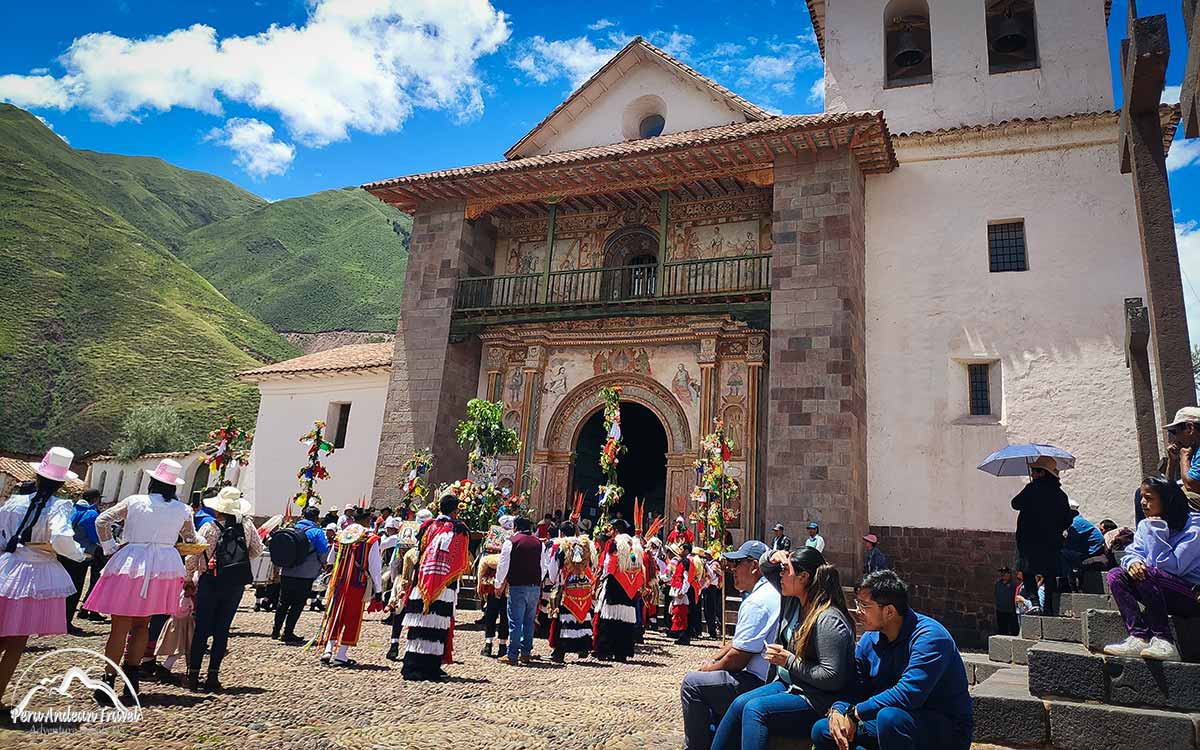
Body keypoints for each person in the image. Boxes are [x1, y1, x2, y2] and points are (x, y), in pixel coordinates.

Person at [712, 546, 855, 750]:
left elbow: (832, 677)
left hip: (817, 698)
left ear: (803, 577)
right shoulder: (793, 601)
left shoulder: (828, 620)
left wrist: (788, 660)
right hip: (789, 684)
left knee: (755, 709)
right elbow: (765, 567)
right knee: (738, 705)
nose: (780, 575)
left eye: (785, 570)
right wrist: (773, 556)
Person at [812, 571, 973, 750]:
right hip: (888, 722)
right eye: (858, 603)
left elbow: (909, 695)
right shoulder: (869, 639)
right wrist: (839, 710)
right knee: (824, 730)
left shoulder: (930, 637)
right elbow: (854, 687)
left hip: (942, 727)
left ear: (889, 611)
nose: (858, 611)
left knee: (890, 718)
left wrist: (856, 713)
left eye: (864, 605)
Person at [85, 458, 200, 705]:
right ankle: (132, 679)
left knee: (119, 626)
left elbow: (102, 520)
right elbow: (191, 538)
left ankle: (107, 681)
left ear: (152, 482)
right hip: (164, 568)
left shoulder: (135, 501)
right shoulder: (183, 510)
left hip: (132, 563)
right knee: (142, 625)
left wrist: (110, 547)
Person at [0, 448, 85, 723]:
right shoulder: (60, 507)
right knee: (16, 641)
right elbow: (61, 538)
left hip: (7, 568)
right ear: (62, 483)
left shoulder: (13, 503)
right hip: (36, 574)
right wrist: (78, 554)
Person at [680, 540, 780, 750]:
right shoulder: (768, 592)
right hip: (768, 676)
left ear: (754, 566)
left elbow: (737, 659)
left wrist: (708, 668)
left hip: (758, 681)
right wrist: (716, 657)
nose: (732, 570)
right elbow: (739, 642)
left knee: (692, 684)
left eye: (738, 564)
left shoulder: (757, 601)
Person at [1102, 476, 1200, 661]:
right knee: (1116, 575)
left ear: (1167, 499)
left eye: (1149, 498)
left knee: (1147, 572)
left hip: (1190, 594)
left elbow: (1172, 567)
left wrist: (1155, 528)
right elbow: (1132, 552)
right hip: (1158, 587)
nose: (1143, 503)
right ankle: (1139, 636)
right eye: (1141, 497)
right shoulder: (1146, 524)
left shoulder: (1194, 527)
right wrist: (1133, 563)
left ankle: (1164, 640)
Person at [184, 487, 263, 691]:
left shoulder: (209, 527)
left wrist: (188, 578)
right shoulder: (247, 526)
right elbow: (257, 550)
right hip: (234, 584)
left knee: (201, 629)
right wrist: (235, 563)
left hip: (210, 581)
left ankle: (193, 675)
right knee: (222, 629)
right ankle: (213, 677)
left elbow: (193, 555)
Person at [400, 495, 471, 681]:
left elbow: (419, 550)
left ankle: (411, 665)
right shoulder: (459, 529)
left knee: (419, 625)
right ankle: (430, 668)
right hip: (444, 585)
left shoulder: (427, 526)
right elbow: (461, 559)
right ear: (455, 510)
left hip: (422, 581)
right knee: (436, 627)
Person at [317, 508, 382, 668]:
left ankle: (328, 649)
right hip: (357, 583)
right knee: (352, 617)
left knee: (335, 614)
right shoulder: (371, 539)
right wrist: (378, 590)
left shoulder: (341, 535)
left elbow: (331, 559)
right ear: (368, 521)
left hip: (339, 582)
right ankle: (341, 654)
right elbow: (375, 567)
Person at [1011, 456, 1071, 616]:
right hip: (1051, 541)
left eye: (1035, 471)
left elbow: (1015, 503)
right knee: (1049, 573)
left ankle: (1035, 602)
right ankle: (1049, 607)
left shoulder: (1032, 489)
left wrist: (1030, 488)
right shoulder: (1061, 495)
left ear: (1042, 473)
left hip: (1029, 539)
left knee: (1027, 570)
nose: (1033, 474)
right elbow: (1067, 519)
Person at [272, 505, 329, 644]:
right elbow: (323, 553)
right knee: (297, 604)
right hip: (306, 573)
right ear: (316, 518)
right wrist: (324, 565)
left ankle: (275, 630)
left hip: (287, 570)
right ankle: (288, 632)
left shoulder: (291, 528)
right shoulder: (317, 532)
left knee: (283, 602)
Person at [593, 519, 645, 662]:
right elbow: (635, 563)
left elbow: (609, 565)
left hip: (614, 586)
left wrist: (602, 579)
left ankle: (606, 650)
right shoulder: (633, 546)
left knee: (609, 620)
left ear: (615, 530)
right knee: (625, 622)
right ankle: (622, 653)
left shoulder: (614, 544)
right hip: (629, 589)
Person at [496, 516, 545, 665]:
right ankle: (526, 653)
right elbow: (543, 566)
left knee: (515, 621)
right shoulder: (539, 544)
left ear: (515, 527)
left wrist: (498, 584)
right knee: (529, 621)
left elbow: (503, 565)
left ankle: (512, 654)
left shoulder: (511, 542)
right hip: (534, 586)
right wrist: (538, 580)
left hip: (517, 586)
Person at [385, 508, 431, 660]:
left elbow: (394, 562)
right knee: (418, 617)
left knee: (398, 613)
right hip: (423, 583)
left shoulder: (406, 534)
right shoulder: (433, 536)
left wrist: (395, 580)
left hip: (403, 580)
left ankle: (394, 644)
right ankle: (414, 648)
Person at [547, 522, 594, 662]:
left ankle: (560, 651)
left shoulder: (561, 547)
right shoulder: (586, 545)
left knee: (564, 616)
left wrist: (554, 581)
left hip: (567, 585)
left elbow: (553, 570)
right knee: (582, 613)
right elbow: (591, 565)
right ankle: (583, 647)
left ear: (561, 533)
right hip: (584, 585)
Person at [62, 488, 101, 634]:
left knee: (63, 587)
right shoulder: (91, 513)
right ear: (95, 499)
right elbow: (95, 536)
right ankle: (66, 622)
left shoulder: (73, 509)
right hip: (81, 555)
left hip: (65, 552)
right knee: (75, 589)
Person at [1061, 499, 1108, 593]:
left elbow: (1070, 545)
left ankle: (1069, 586)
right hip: (1090, 552)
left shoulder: (1075, 523)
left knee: (1062, 553)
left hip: (1093, 553)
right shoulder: (1077, 521)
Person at [1165, 407, 1200, 497]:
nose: (1176, 438)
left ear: (1189, 428)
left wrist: (1184, 456)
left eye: (1175, 432)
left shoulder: (1190, 453)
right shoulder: (1194, 449)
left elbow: (1191, 485)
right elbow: (1166, 486)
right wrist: (1172, 461)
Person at [669, 543, 697, 645]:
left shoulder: (686, 562)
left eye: (681, 548)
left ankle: (684, 636)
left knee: (682, 612)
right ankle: (681, 635)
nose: (679, 550)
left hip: (683, 590)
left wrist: (682, 591)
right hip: (679, 589)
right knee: (679, 612)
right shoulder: (682, 561)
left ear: (686, 551)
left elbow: (686, 578)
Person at [702, 549, 723, 639]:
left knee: (711, 609)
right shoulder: (709, 563)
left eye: (707, 554)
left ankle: (713, 631)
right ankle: (711, 630)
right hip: (707, 587)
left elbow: (713, 575)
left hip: (712, 588)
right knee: (707, 610)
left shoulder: (715, 564)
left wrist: (706, 566)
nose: (705, 556)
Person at [994, 567, 1019, 636]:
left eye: (1004, 573)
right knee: (1002, 630)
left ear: (1009, 574)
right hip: (1000, 611)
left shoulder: (1013, 584)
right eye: (1001, 573)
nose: (1002, 574)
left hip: (1011, 611)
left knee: (1013, 630)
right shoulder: (998, 584)